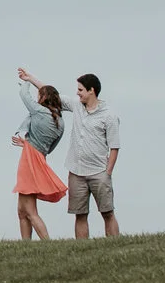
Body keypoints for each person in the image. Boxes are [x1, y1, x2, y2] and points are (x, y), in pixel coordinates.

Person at [58, 72, 121, 238]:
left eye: (80, 89)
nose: (77, 93)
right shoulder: (77, 106)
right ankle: (82, 250)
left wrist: (108, 173)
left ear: (91, 90)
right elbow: (51, 94)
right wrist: (30, 78)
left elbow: (114, 147)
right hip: (76, 172)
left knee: (107, 213)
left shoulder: (109, 116)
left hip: (99, 172)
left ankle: (115, 244)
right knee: (80, 214)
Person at [10, 69, 67, 240]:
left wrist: (26, 80)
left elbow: (23, 94)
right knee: (21, 210)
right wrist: (28, 145)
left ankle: (47, 243)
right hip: (38, 157)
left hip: (30, 159)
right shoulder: (61, 122)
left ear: (43, 98)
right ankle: (26, 246)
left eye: (39, 95)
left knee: (30, 211)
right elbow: (50, 147)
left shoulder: (39, 111)